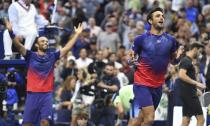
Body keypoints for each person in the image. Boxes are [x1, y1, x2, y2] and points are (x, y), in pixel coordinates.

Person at [4, 19, 83, 126]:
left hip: (47, 95)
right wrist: (10, 32)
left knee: (45, 123)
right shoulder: (30, 55)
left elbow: (67, 48)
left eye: (46, 41)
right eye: (42, 41)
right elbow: (18, 45)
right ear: (37, 45)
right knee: (27, 123)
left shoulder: (52, 56)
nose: (45, 42)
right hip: (32, 94)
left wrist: (77, 34)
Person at [128, 7, 180, 126]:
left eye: (162, 15)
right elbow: (130, 57)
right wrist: (131, 60)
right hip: (142, 84)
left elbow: (174, 61)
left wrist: (178, 57)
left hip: (158, 86)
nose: (161, 17)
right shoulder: (140, 39)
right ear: (150, 21)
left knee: (141, 119)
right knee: (150, 119)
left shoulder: (171, 40)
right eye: (157, 15)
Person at [177, 43, 206, 126]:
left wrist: (195, 88)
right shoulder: (186, 60)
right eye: (199, 52)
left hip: (187, 93)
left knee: (186, 119)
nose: (199, 54)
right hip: (190, 95)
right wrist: (197, 84)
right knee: (201, 119)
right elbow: (181, 75)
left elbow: (186, 79)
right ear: (195, 49)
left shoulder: (187, 60)